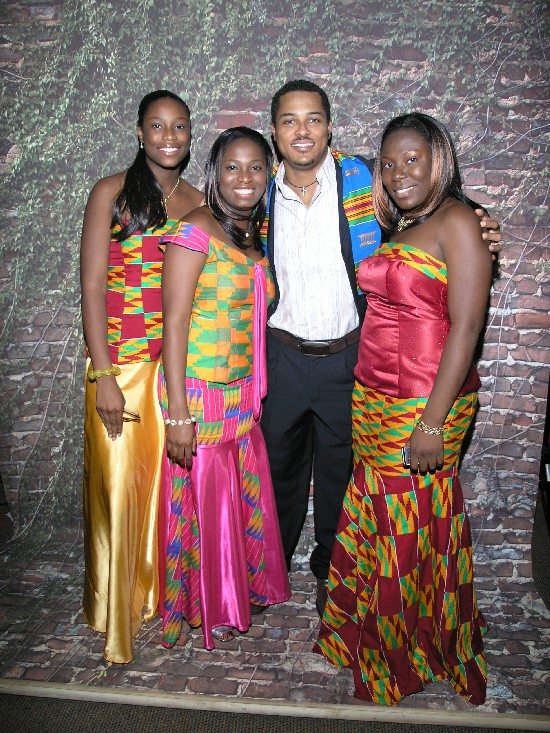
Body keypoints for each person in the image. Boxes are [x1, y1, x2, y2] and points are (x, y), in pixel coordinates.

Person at [260, 79, 502, 617]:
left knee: (342, 478)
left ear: (330, 126)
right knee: (277, 471)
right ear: (274, 132)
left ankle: (333, 571)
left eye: (314, 118)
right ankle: (269, 570)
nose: (303, 131)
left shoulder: (363, 181)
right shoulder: (255, 192)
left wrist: (481, 222)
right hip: (282, 355)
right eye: (289, 121)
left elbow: (436, 206)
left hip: (350, 356)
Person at [314, 112, 492, 706]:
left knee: (409, 528)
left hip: (423, 403)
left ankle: (404, 650)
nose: (396, 174)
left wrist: (433, 423)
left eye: (410, 159)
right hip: (373, 397)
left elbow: (467, 327)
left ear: (438, 158)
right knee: (382, 517)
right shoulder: (401, 227)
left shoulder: (459, 221)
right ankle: (368, 632)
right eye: (387, 165)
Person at [80, 90, 203, 663]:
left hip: (171, 375)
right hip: (122, 370)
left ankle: (155, 597)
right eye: (157, 126)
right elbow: (93, 287)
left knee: (161, 491)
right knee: (120, 489)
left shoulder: (200, 202)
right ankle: (115, 611)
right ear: (139, 132)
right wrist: (104, 373)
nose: (169, 137)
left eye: (178, 126)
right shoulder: (111, 194)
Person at [158, 127, 290, 650]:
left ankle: (236, 589)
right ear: (214, 173)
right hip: (201, 392)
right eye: (232, 167)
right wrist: (178, 414)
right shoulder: (195, 229)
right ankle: (205, 599)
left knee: (236, 495)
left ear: (269, 174)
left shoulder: (252, 235)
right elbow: (174, 324)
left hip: (243, 396)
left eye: (256, 167)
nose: (245, 178)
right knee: (205, 498)